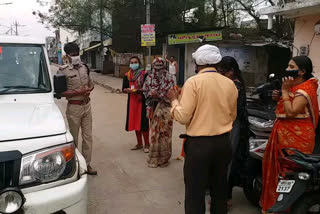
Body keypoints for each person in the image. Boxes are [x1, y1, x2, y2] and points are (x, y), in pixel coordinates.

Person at [168, 44, 238, 214]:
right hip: (223, 143)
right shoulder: (230, 84)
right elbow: (232, 116)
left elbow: (183, 117)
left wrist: (174, 101)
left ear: (197, 63)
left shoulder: (193, 82)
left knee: (195, 192)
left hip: (199, 145)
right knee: (219, 190)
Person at [260, 56, 319, 213]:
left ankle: (292, 207)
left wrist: (285, 91)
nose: (287, 69)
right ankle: (278, 206)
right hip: (284, 134)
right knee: (281, 174)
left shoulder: (305, 89)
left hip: (298, 138)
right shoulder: (296, 86)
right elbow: (286, 107)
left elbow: (292, 111)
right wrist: (279, 96)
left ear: (302, 71)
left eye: (291, 66)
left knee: (292, 173)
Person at [58, 42, 97, 175]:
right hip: (74, 108)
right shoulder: (62, 71)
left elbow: (91, 84)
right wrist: (77, 92)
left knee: (88, 137)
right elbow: (60, 93)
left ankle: (87, 164)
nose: (76, 56)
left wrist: (88, 90)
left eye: (77, 53)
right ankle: (75, 166)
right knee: (74, 138)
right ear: (67, 55)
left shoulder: (84, 67)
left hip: (87, 106)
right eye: (73, 54)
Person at [218, 56, 249, 209]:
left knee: (228, 160)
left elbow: (236, 111)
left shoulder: (235, 86)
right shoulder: (231, 84)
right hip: (226, 124)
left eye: (223, 72)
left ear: (231, 72)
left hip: (233, 125)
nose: (221, 76)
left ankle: (226, 197)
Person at [143, 57, 175, 168]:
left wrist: (160, 95)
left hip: (166, 109)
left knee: (165, 133)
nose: (157, 69)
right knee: (154, 133)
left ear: (164, 66)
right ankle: (154, 158)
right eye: (155, 67)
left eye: (160, 66)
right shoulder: (150, 77)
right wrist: (150, 94)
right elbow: (145, 90)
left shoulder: (170, 77)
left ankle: (164, 159)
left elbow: (172, 95)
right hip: (153, 107)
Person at [122, 56, 150, 153]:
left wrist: (138, 90)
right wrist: (127, 90)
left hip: (142, 101)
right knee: (134, 122)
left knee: (144, 123)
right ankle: (139, 143)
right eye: (132, 62)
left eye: (135, 62)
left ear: (139, 63)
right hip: (132, 102)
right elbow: (123, 88)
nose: (133, 64)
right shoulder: (127, 75)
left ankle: (147, 144)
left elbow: (148, 88)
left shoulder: (145, 74)